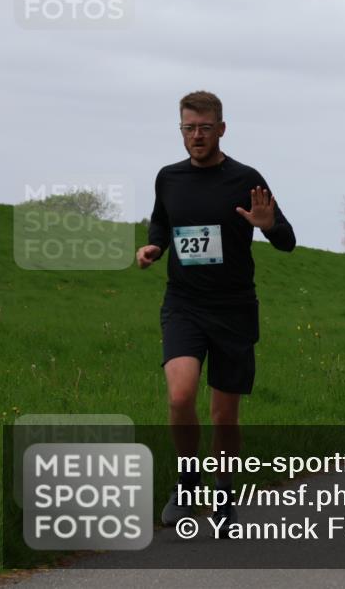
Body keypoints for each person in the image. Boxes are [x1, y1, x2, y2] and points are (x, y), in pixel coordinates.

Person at [137, 91, 296, 536]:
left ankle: (223, 496)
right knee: (180, 396)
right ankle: (188, 484)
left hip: (234, 309)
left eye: (205, 127)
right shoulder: (168, 178)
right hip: (184, 304)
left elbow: (287, 240)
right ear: (181, 130)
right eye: (188, 128)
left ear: (221, 129)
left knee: (225, 415)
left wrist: (268, 225)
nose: (197, 136)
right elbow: (161, 223)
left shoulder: (246, 179)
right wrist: (154, 246)